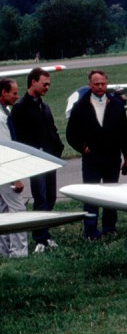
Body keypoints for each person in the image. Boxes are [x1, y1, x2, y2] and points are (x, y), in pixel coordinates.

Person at [66, 70, 127, 240]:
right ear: (90, 84)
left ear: (107, 83)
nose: (100, 87)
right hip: (92, 160)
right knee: (91, 195)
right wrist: (83, 148)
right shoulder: (80, 106)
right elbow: (71, 133)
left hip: (112, 158)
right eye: (96, 84)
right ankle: (90, 231)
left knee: (111, 194)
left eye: (103, 83)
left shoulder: (117, 105)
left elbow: (125, 132)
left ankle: (109, 227)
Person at [11, 67, 65, 253]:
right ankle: (39, 238)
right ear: (33, 82)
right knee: (40, 197)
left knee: (50, 197)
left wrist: (58, 148)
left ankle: (45, 233)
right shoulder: (20, 108)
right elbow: (17, 136)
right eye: (44, 84)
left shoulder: (44, 106)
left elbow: (52, 130)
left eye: (49, 84)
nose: (47, 87)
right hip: (34, 161)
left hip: (50, 158)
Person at [0, 78, 27, 257]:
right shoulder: (1, 118)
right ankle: (19, 251)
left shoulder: (5, 112)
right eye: (14, 93)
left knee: (2, 209)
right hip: (4, 169)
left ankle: (3, 250)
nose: (17, 96)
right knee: (17, 209)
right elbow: (5, 148)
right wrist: (16, 176)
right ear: (3, 93)